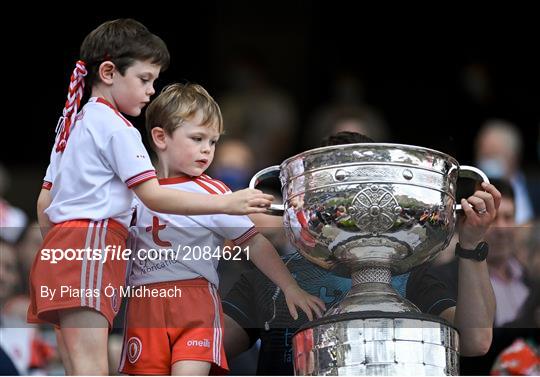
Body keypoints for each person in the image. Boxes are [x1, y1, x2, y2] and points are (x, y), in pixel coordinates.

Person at [27, 19, 273, 375]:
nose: (151, 91)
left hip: (57, 252)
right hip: (94, 243)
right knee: (91, 367)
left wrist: (64, 247)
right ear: (109, 72)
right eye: (144, 79)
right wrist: (225, 203)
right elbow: (154, 196)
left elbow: (43, 207)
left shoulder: (72, 124)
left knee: (74, 365)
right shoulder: (117, 127)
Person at [223, 131, 499, 374]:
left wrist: (472, 243)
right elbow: (203, 346)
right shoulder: (272, 276)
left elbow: (475, 341)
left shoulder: (409, 277)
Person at [118, 83, 325, 375]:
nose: (207, 149)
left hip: (195, 302)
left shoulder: (215, 192)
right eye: (198, 138)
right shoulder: (134, 192)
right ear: (161, 137)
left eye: (213, 142)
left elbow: (255, 243)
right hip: (143, 304)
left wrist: (290, 287)